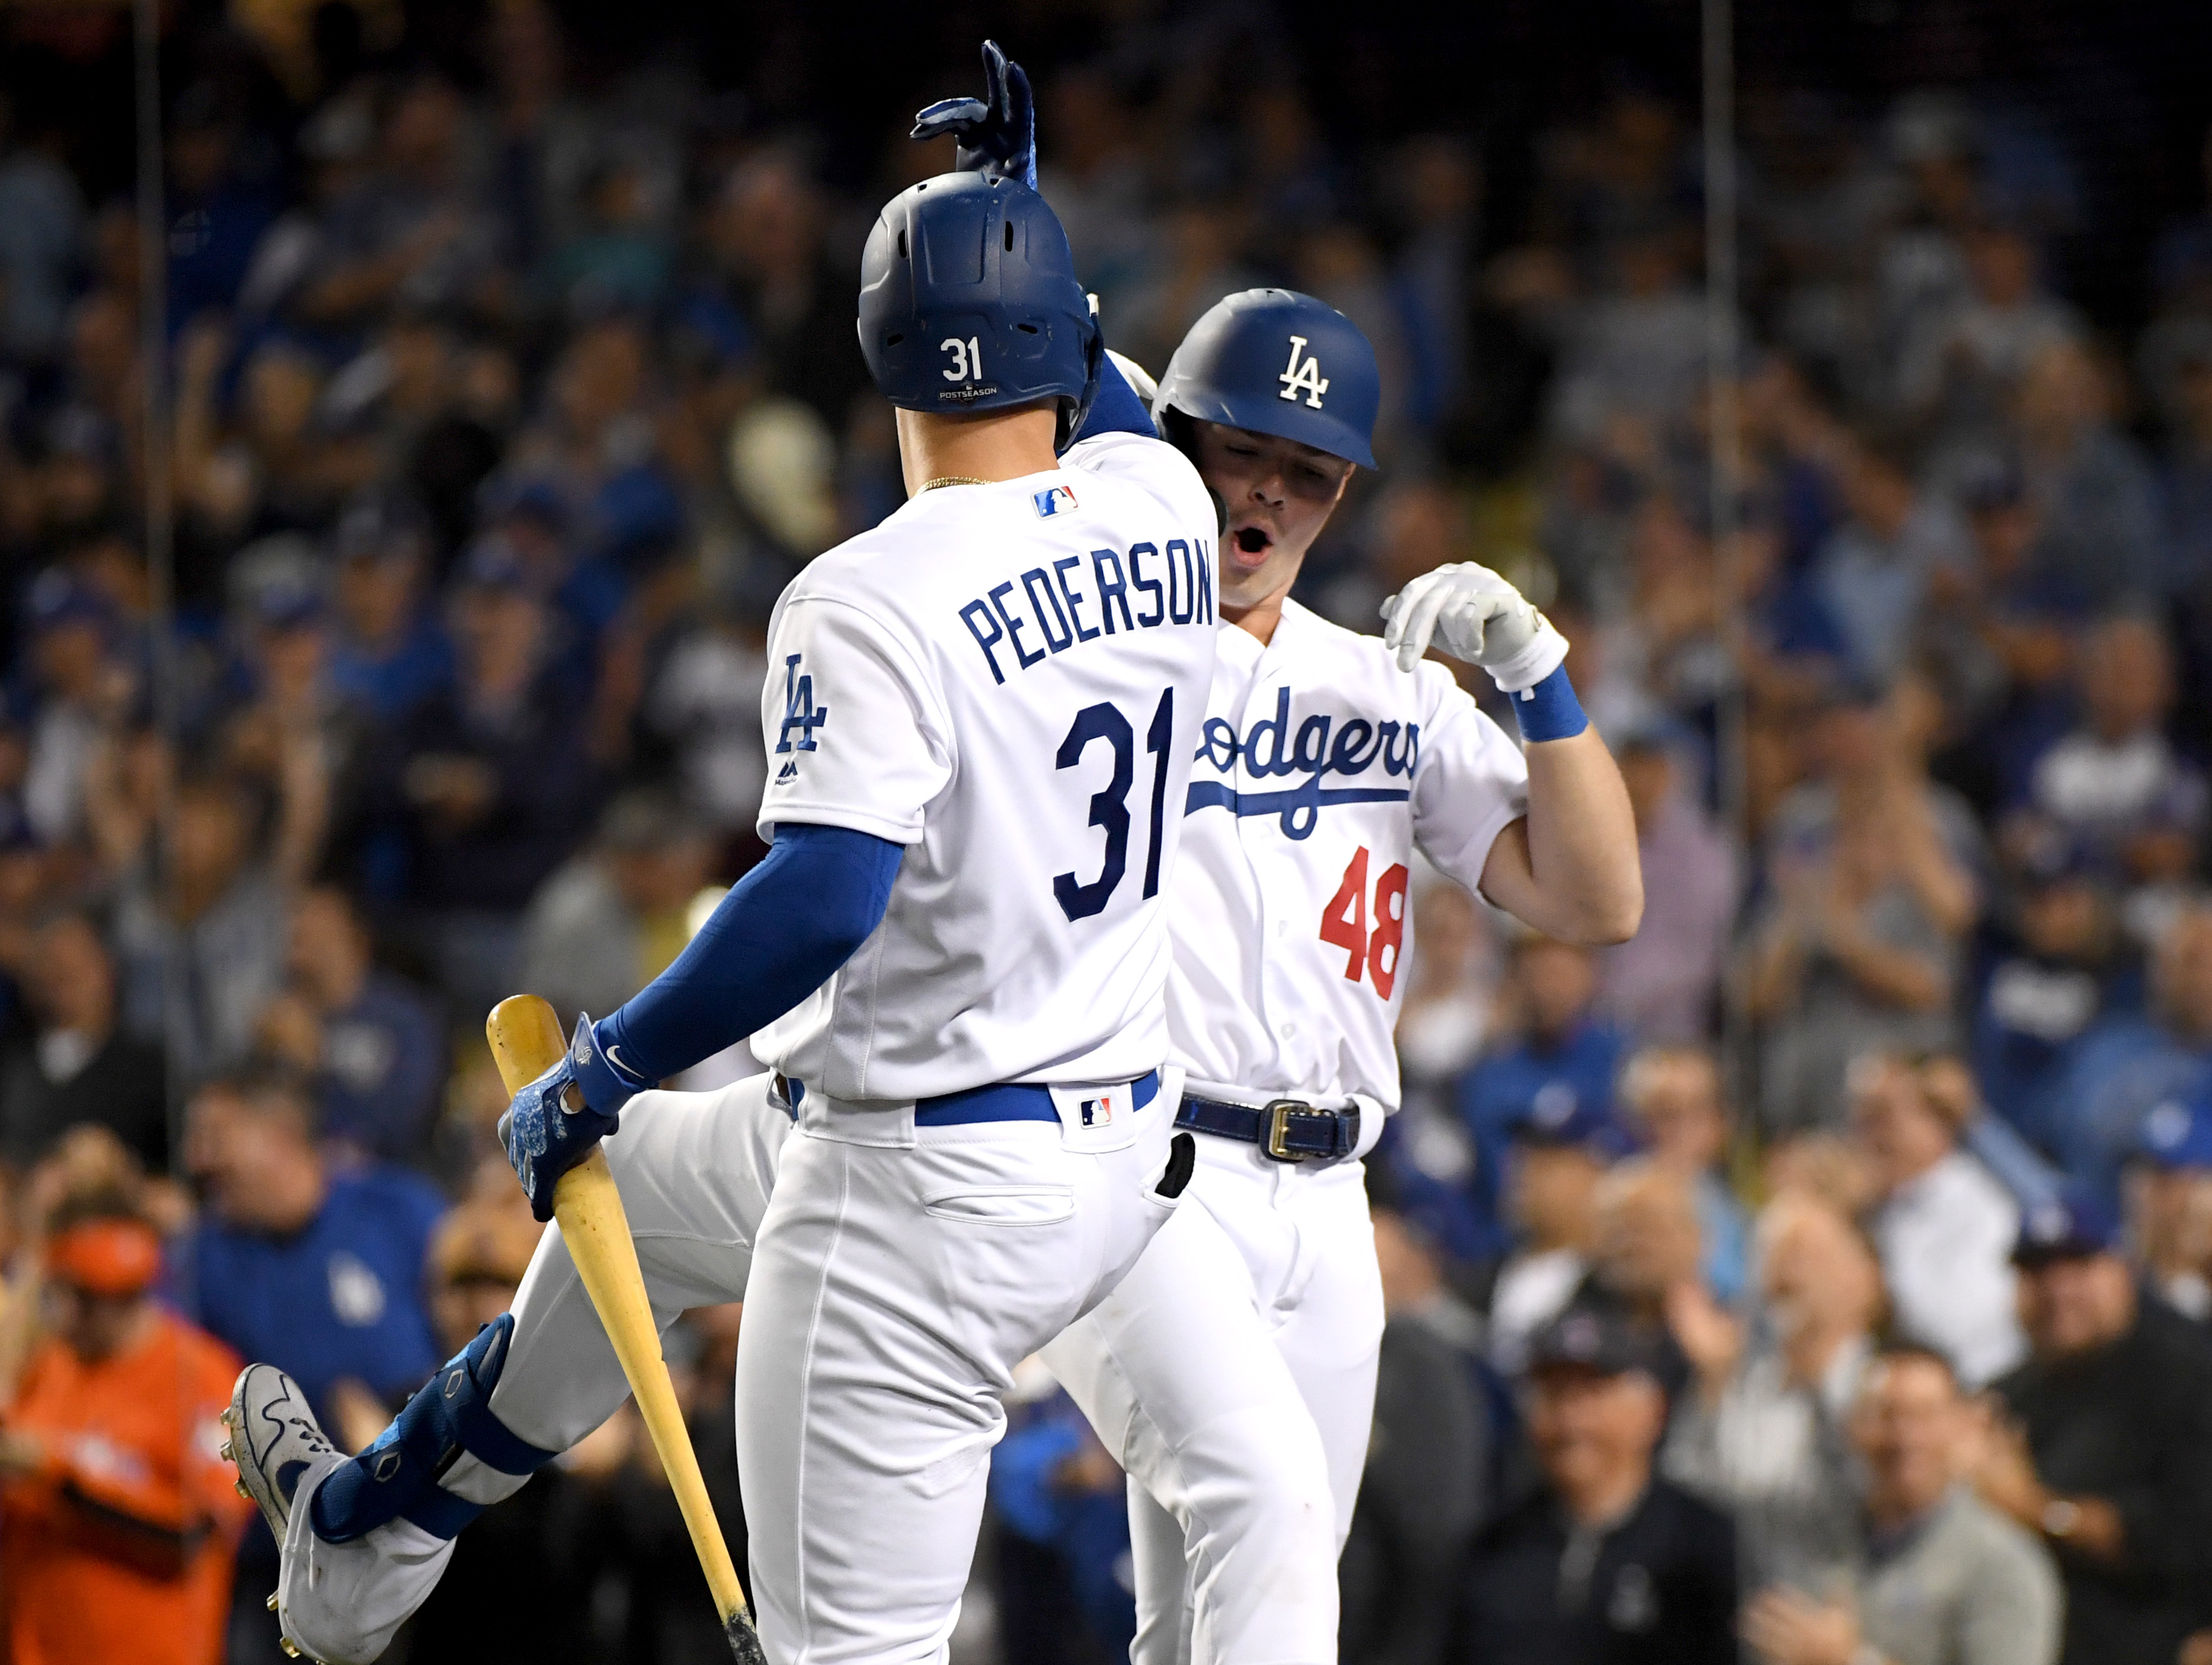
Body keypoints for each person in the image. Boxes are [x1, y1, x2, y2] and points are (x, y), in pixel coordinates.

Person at [226, 146, 1219, 1665]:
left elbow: (827, 895)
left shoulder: (863, 590)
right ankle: (378, 1532)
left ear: (879, 352)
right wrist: (1026, 232)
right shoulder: (1163, 507)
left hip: (917, 1193)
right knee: (643, 1186)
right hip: (1110, 1149)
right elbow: (1118, 400)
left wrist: (605, 1055)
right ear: (1068, 344)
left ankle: (394, 1544)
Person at [0, 1186, 251, 1665]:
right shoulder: (50, 1365)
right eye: (60, 1294)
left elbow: (193, 1531)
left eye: (83, 1299)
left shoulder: (201, 1376)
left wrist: (58, 1473)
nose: (66, 1315)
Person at [1977, 1186, 2212, 1665]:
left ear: (2125, 1269)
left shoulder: (2190, 1376)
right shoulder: (2006, 1397)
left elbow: (2184, 1541)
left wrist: (2038, 1510)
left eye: (2078, 1265)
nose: (2057, 1290)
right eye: (2037, 1270)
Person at [1451, 1304, 1738, 1665]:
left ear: (1652, 1410)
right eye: (1555, 1395)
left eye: (1593, 1393)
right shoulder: (1494, 1545)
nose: (1572, 1421)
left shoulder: (1703, 1546)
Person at [1740, 1347, 2062, 1665]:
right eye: (1885, 1414)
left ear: (1962, 1424)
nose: (1904, 1437)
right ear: (1850, 1426)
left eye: (1924, 1415)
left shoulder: (2003, 1564)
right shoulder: (1807, 1543)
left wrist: (1853, 1660)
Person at [1665, 1189, 1882, 1597]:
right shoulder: (1740, 1385)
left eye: (1808, 1254)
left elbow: (1866, 1507)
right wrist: (1710, 1386)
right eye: (1771, 1253)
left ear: (1863, 1278)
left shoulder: (1887, 1384)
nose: (1787, 1271)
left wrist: (1819, 1391)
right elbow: (1684, 1499)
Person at [1852, 1053, 2024, 1387]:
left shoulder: (1979, 1203)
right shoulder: (1876, 1210)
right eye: (1860, 1118)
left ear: (1937, 1122)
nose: (1869, 1137)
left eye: (1884, 1117)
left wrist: (1873, 1282)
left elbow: (1962, 1327)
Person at [0, 911, 168, 1172]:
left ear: (106, 968)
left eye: (76, 966)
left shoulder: (147, 1066)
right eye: (52, 967)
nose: (63, 977)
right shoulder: (12, 1064)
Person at [1485, 1092, 1622, 1378]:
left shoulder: (1620, 1287)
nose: (1524, 1171)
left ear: (1597, 1171)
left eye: (1548, 1161)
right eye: (1522, 1156)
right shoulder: (1484, 1277)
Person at [1617, 1046, 1750, 1303]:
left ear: (1721, 1123)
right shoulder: (1608, 1215)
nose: (1680, 1129)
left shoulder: (1741, 1224)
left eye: (1696, 1110)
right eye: (1664, 1113)